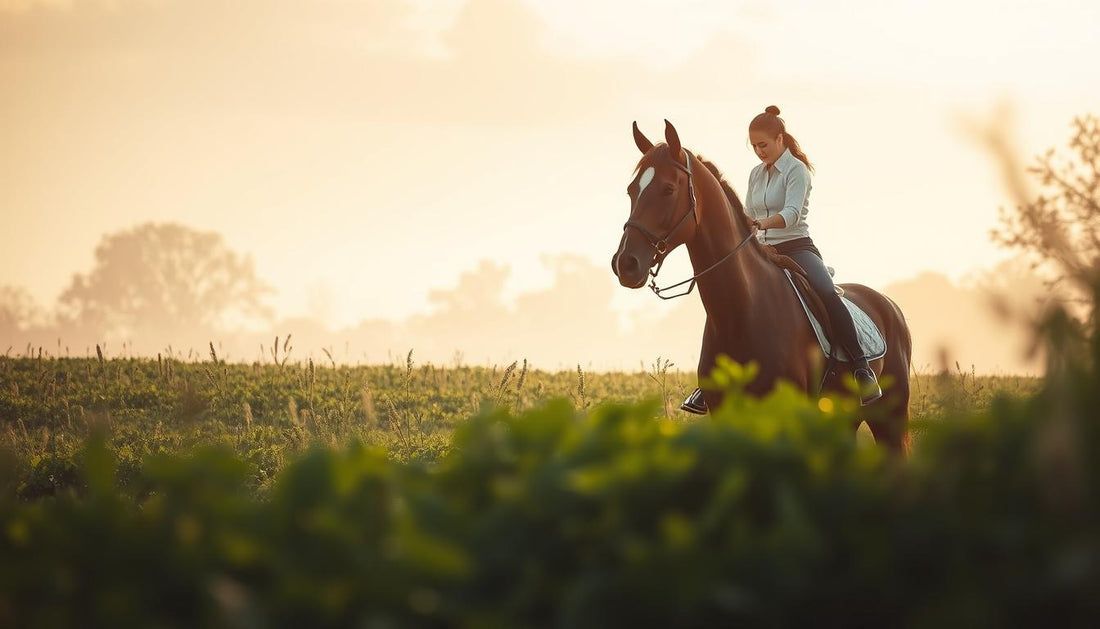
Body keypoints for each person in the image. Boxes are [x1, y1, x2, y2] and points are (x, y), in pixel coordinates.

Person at [681, 105, 881, 414]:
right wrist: (746, 227)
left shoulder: (797, 170)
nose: (759, 152)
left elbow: (791, 214)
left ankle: (860, 367)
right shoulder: (755, 174)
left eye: (763, 145)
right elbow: (747, 212)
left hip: (796, 246)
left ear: (779, 138)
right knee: (727, 300)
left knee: (826, 292)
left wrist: (760, 224)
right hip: (761, 249)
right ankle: (708, 385)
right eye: (754, 147)